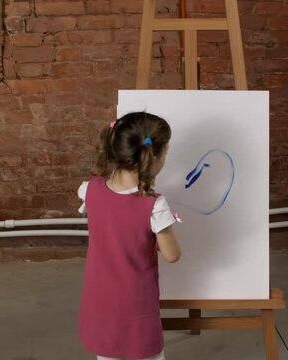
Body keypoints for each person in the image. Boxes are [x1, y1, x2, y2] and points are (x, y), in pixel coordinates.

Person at [78, 112, 181, 360]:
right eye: (166, 153)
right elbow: (172, 255)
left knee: (108, 353)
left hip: (99, 297)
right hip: (134, 301)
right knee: (144, 352)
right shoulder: (154, 205)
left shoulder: (88, 189)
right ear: (153, 156)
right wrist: (165, 223)